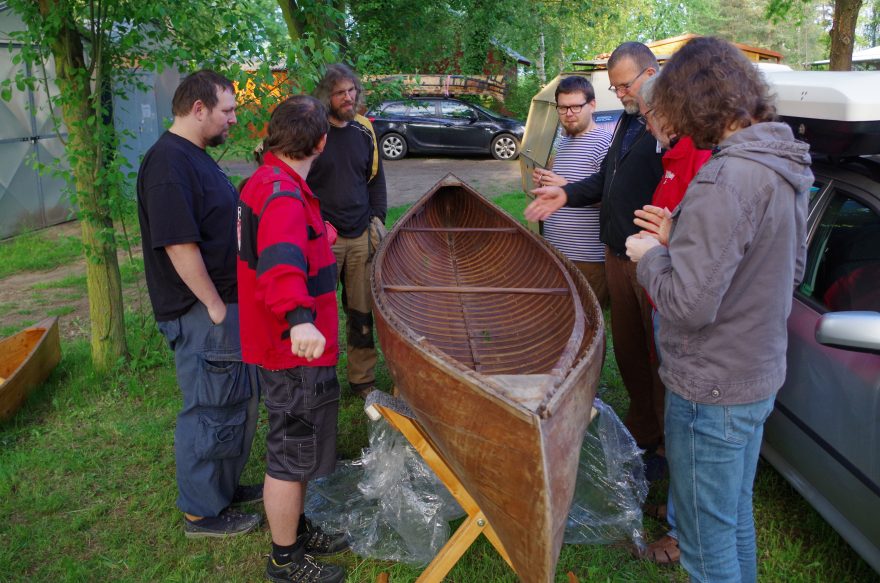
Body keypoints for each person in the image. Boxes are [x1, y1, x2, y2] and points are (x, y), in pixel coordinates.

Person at [625, 37, 811, 582]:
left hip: (711, 389)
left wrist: (653, 255)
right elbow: (785, 273)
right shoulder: (784, 165)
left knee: (706, 548)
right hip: (755, 377)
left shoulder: (724, 177)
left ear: (695, 100)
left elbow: (687, 304)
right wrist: (683, 236)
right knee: (730, 520)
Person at [137, 70, 261, 537]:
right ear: (199, 109)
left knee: (234, 401)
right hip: (202, 312)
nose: (233, 118)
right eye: (227, 110)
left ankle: (221, 489)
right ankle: (200, 511)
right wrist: (213, 304)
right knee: (210, 408)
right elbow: (179, 244)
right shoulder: (168, 163)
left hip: (224, 306)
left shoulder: (196, 156)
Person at [525, 42, 667, 455]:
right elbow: (605, 180)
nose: (619, 94)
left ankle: (663, 444)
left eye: (624, 86)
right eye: (614, 86)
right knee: (629, 353)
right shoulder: (628, 122)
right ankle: (643, 432)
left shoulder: (667, 127)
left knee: (657, 355)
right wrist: (565, 195)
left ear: (651, 75)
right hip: (617, 255)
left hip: (650, 259)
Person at [237, 95, 348, 583]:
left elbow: (272, 247)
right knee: (290, 453)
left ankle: (297, 530)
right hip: (293, 349)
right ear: (321, 142)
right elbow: (281, 268)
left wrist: (314, 236)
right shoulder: (283, 194)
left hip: (280, 344)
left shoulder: (266, 181)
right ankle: (285, 559)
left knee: (296, 449)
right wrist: (301, 320)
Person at [632, 73, 712, 566]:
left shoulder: (704, 164)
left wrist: (663, 242)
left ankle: (686, 531)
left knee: (690, 429)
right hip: (668, 304)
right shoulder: (675, 157)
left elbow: (703, 254)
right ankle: (682, 510)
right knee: (678, 422)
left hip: (686, 317)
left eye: (648, 116)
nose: (647, 127)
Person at [309, 64, 387, 399]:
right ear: (328, 96)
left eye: (352, 90)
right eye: (340, 92)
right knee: (318, 312)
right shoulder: (311, 131)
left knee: (361, 312)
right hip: (322, 239)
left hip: (360, 236)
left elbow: (376, 180)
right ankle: (318, 380)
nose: (348, 97)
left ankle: (362, 379)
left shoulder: (365, 129)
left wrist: (377, 219)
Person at [532, 76, 612, 307]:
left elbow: (610, 199)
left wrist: (565, 186)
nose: (569, 113)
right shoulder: (563, 142)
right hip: (556, 248)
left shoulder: (605, 143)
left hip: (588, 258)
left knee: (587, 320)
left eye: (576, 106)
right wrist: (545, 184)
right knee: (560, 315)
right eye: (563, 107)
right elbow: (560, 187)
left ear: (592, 105)